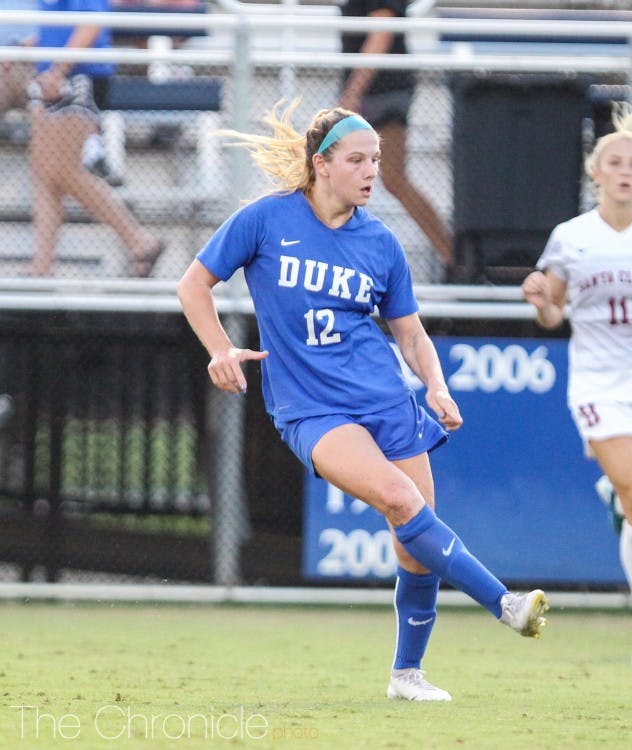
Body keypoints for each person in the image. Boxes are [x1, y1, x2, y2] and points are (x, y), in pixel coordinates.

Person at [177, 101, 549, 702]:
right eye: (357, 160)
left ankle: (407, 675)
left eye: (375, 159)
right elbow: (193, 284)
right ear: (321, 165)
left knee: (414, 544)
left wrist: (436, 384)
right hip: (312, 410)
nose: (372, 170)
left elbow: (409, 332)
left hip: (389, 400)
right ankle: (502, 601)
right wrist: (220, 348)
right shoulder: (266, 220)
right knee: (402, 500)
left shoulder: (381, 243)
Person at [521, 108, 632, 628]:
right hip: (598, 383)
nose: (624, 171)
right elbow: (554, 312)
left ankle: (614, 495)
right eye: (614, 162)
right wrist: (539, 300)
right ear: (595, 172)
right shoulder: (571, 236)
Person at [25, 0, 163, 277]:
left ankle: (140, 240)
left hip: (76, 76)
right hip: (49, 77)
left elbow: (92, 21)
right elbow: (56, 28)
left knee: (64, 170)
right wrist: (24, 49)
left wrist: (57, 71)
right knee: (44, 175)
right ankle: (41, 267)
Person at [337, 0, 454, 274]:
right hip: (374, 95)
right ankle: (452, 256)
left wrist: (353, 93)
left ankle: (453, 257)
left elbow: (382, 31)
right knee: (343, 179)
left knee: (390, 178)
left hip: (381, 96)